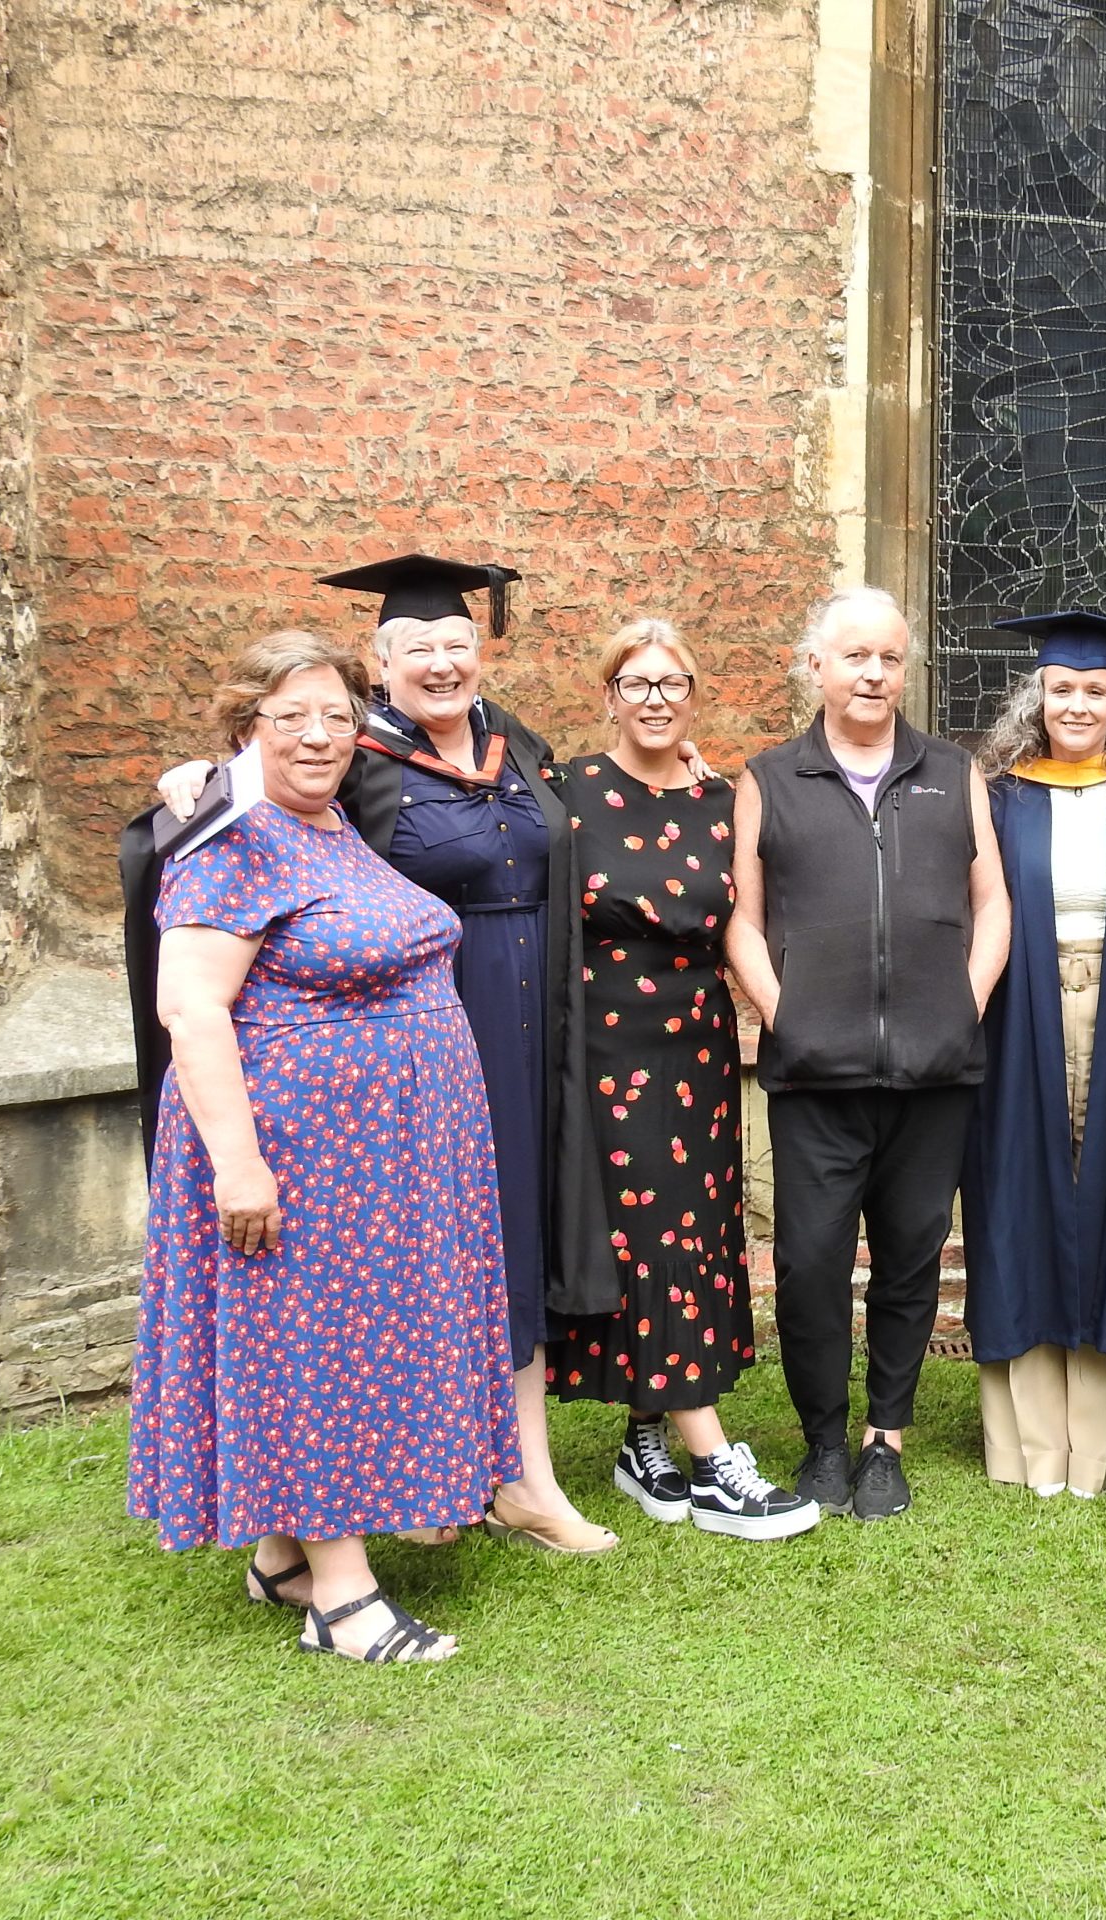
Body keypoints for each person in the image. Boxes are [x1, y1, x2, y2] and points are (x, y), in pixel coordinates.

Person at [146, 553, 682, 1553]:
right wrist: (199, 781)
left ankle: (516, 1475)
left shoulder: (514, 744)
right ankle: (441, 1477)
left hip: (532, 1029)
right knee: (415, 1258)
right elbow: (256, 837)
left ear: (482, 652)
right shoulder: (356, 760)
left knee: (510, 1242)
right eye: (418, 648)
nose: (442, 663)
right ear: (378, 666)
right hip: (416, 1029)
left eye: (457, 644)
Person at [127, 631, 518, 1664]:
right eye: (289, 716)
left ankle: (280, 1556)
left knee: (327, 1346)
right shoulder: (232, 836)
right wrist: (238, 1164)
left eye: (337, 716)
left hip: (375, 1160)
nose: (317, 735)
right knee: (311, 1356)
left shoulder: (332, 827)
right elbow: (191, 1007)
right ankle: (341, 1600)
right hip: (291, 1152)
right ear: (247, 727)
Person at [727, 587, 1011, 1521]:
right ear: (817, 667)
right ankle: (822, 1440)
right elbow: (743, 922)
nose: (874, 675)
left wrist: (959, 1010)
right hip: (815, 1074)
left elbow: (992, 905)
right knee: (810, 1261)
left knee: (910, 1257)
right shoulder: (769, 778)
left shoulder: (952, 771)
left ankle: (886, 1439)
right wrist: (784, 1015)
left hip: (934, 1074)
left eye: (890, 659)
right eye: (855, 657)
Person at [544, 618, 819, 1540]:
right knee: (642, 1226)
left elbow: (762, 907)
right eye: (637, 683)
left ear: (693, 696)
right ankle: (712, 1462)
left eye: (673, 683)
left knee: (692, 1229)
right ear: (608, 696)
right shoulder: (567, 792)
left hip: (696, 1042)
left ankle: (642, 1436)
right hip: (606, 1049)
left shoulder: (720, 798)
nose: (656, 699)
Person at [960, 611, 1106, 1498]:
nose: (1076, 703)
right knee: (1022, 1202)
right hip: (1019, 1023)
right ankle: (1027, 1445)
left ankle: (1101, 1444)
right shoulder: (996, 796)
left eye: (1095, 689)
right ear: (1035, 697)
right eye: (1062, 688)